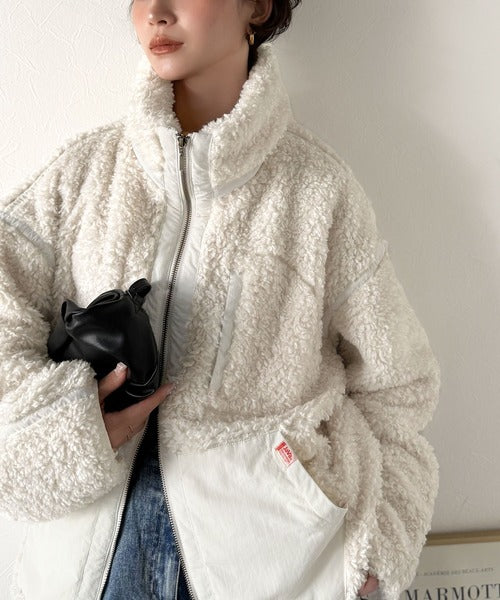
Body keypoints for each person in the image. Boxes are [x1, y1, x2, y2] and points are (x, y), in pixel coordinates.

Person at [0, 1, 440, 599]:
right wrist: (62, 430)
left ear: (256, 6)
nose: (155, 12)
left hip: (271, 566)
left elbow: (399, 391)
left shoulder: (319, 193)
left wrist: (378, 556)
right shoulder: (84, 176)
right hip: (86, 566)